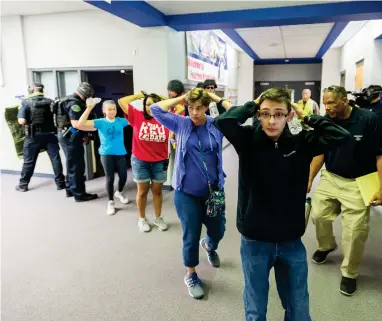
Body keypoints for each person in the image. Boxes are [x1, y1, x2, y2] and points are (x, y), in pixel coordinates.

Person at [213, 88, 351, 321]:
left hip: (290, 241)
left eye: (278, 114)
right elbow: (223, 120)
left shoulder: (300, 138)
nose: (271, 120)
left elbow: (342, 137)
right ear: (258, 114)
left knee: (298, 310)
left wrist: (307, 116)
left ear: (289, 116)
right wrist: (253, 104)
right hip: (255, 239)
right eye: (265, 113)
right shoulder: (247, 138)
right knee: (256, 310)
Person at [151, 88, 227, 300]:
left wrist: (215, 98)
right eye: (191, 108)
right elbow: (155, 109)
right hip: (186, 193)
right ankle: (191, 274)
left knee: (218, 230)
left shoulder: (215, 123)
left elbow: (237, 114)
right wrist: (182, 98)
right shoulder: (181, 123)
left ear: (205, 107)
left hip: (214, 192)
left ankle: (209, 245)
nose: (194, 112)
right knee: (190, 235)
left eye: (199, 108)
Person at [307, 85, 382, 296]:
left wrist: (381, 187)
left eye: (331, 103)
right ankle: (326, 245)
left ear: (344, 100)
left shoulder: (368, 120)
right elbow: (319, 153)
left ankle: (350, 273)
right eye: (324, 104)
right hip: (331, 176)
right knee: (319, 214)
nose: (327, 108)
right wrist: (310, 178)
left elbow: (379, 154)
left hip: (359, 181)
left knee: (355, 231)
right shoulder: (326, 121)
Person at [118, 92, 169, 232]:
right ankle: (142, 219)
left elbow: (180, 106)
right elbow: (122, 100)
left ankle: (158, 218)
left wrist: (162, 100)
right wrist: (139, 95)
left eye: (154, 104)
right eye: (147, 104)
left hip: (160, 161)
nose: (150, 107)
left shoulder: (166, 118)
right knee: (142, 192)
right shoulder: (137, 116)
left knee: (157, 191)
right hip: (140, 161)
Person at [77, 99, 130, 215]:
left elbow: (137, 119)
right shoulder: (100, 122)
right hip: (106, 154)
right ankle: (110, 202)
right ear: (104, 111)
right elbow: (80, 124)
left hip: (120, 153)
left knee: (124, 176)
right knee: (110, 178)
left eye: (114, 109)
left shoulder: (121, 121)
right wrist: (89, 108)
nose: (112, 111)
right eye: (109, 109)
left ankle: (119, 192)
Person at [15, 83, 65, 192]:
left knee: (29, 161)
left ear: (31, 90)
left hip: (33, 136)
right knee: (55, 159)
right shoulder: (50, 102)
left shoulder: (25, 102)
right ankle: (60, 184)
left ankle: (23, 185)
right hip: (51, 135)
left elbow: (22, 121)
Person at [57, 82, 98, 202]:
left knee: (71, 164)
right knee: (76, 166)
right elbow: (77, 124)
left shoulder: (69, 99)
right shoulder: (74, 103)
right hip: (71, 137)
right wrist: (96, 128)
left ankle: (70, 190)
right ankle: (79, 194)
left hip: (69, 135)